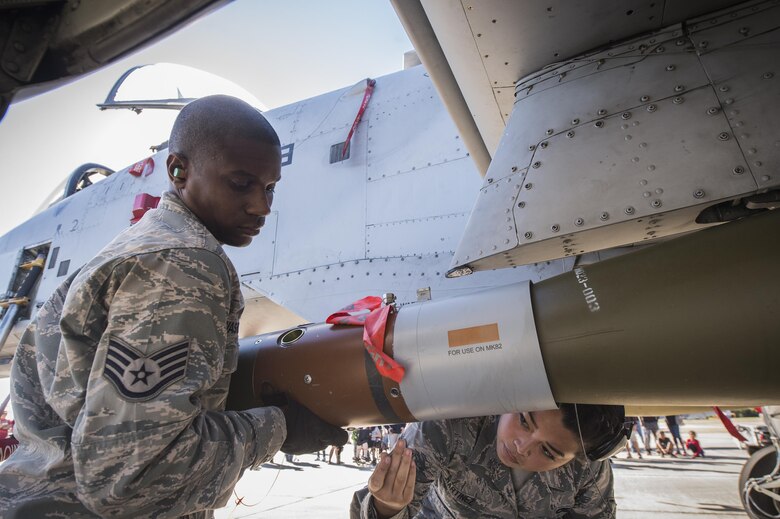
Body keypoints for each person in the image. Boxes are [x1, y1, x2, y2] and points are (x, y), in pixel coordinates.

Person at [0, 95, 346, 518]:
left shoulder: (140, 245)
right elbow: (129, 476)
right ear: (178, 170)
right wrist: (281, 428)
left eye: (270, 187)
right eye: (241, 184)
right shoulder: (184, 264)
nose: (262, 206)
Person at [351, 404, 629, 518]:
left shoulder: (588, 469)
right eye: (524, 420)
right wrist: (386, 506)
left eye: (548, 452)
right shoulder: (450, 427)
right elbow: (371, 511)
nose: (521, 446)